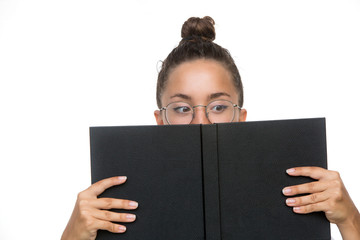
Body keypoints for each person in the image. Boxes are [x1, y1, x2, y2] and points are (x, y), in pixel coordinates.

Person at [61, 16, 360, 240]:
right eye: (182, 108)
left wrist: (349, 219)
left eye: (218, 107)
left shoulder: (290, 190)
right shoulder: (119, 201)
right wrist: (74, 233)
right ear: (159, 120)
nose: (201, 122)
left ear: (241, 117)